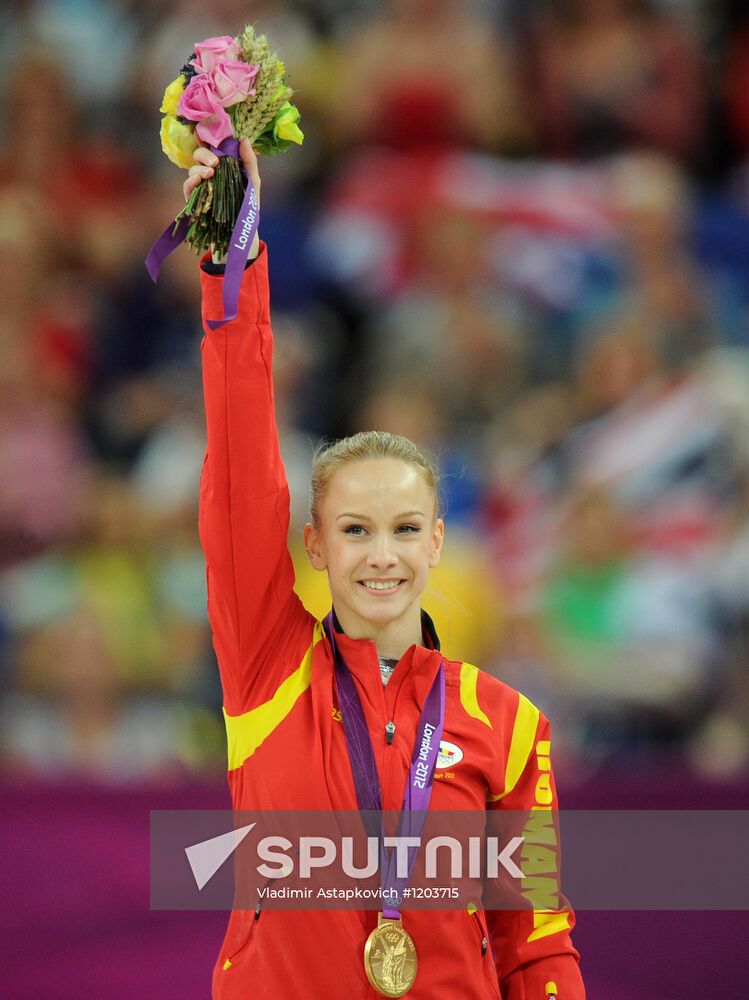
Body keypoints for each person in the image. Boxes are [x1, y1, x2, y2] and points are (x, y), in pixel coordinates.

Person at [185, 140, 585, 999]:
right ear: (317, 545)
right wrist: (234, 268)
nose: (381, 555)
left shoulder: (512, 728)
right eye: (355, 529)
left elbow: (538, 944)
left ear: (437, 541)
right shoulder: (269, 672)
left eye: (405, 528)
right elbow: (240, 475)